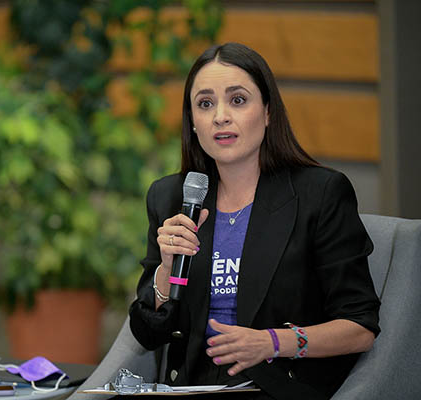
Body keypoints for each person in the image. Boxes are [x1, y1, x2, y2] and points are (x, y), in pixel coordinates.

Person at [128, 42, 380, 400]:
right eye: (205, 104)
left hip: (278, 388)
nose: (220, 116)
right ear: (193, 123)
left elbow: (360, 327)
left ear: (267, 112)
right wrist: (166, 271)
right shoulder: (172, 197)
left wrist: (272, 342)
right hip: (190, 387)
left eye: (238, 100)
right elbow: (148, 335)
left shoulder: (320, 193)